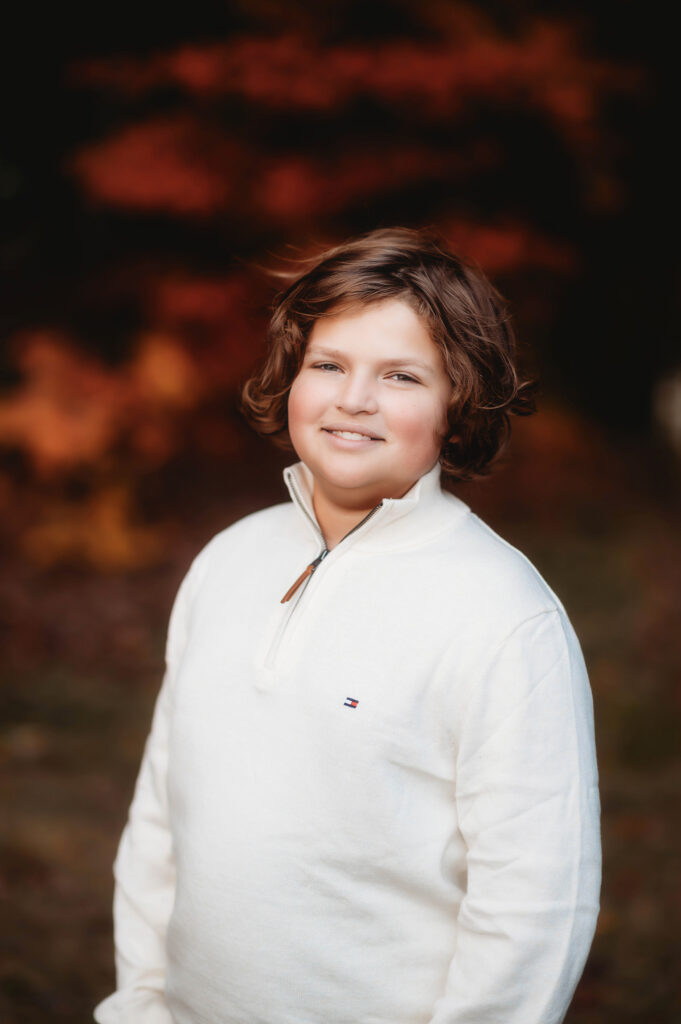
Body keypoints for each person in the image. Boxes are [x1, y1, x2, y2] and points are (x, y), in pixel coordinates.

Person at [94, 226, 601, 1024]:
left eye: (401, 376)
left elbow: (532, 907)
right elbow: (161, 813)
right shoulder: (229, 560)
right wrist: (141, 1002)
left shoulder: (504, 618)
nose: (353, 398)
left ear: (457, 405)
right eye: (328, 364)